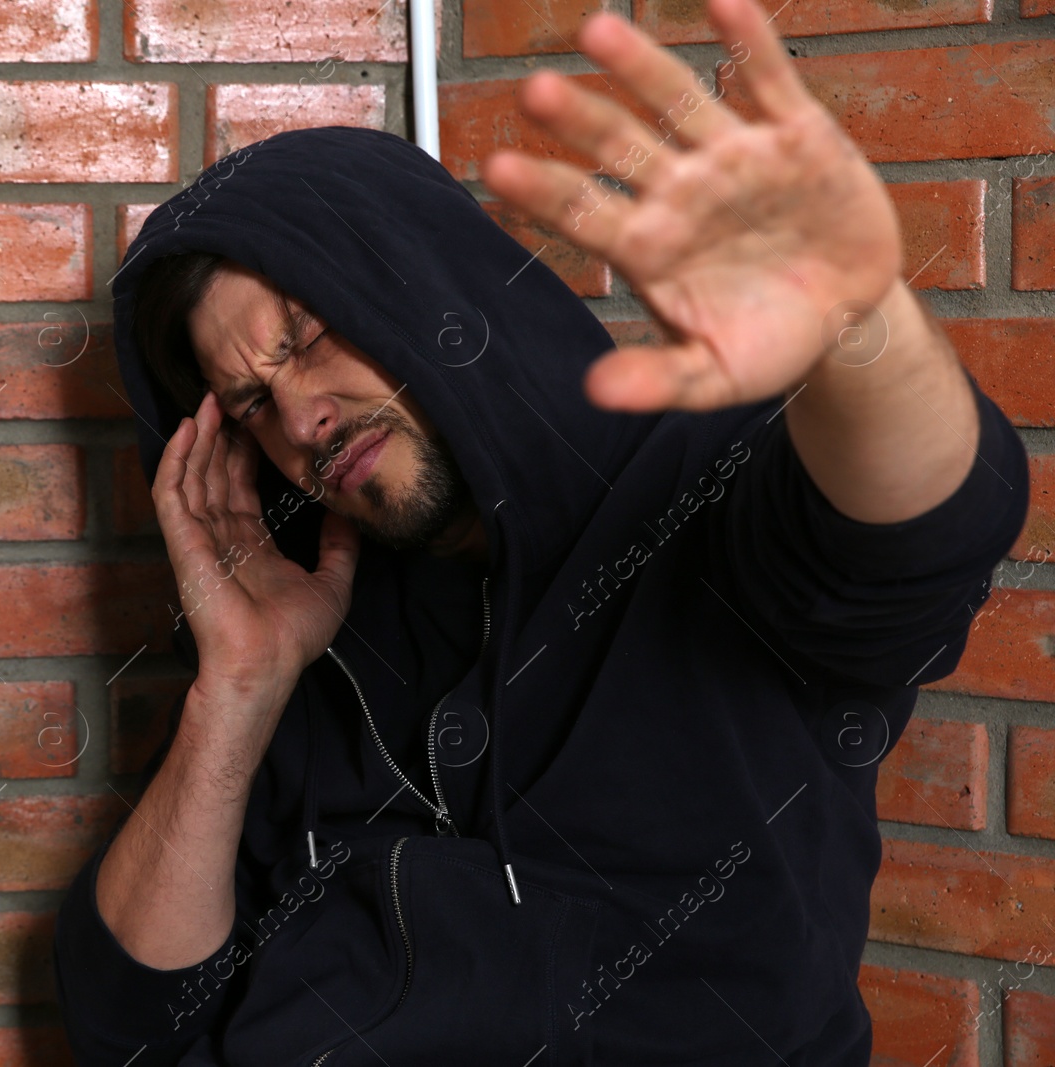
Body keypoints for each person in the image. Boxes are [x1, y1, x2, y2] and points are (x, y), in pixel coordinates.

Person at [53, 0, 1031, 1061]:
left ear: (425, 289)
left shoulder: (693, 494)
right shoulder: (306, 629)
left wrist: (855, 318)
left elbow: (921, 536)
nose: (299, 418)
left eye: (313, 338)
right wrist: (237, 691)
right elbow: (131, 1021)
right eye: (248, 402)